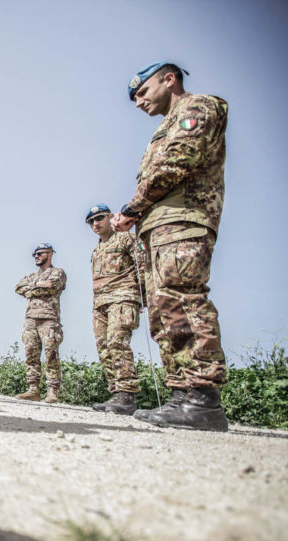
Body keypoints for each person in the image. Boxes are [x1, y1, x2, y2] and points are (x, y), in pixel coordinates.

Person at [111, 62, 229, 432]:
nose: (137, 102)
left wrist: (131, 208)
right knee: (164, 308)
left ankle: (203, 397)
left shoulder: (198, 108)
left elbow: (176, 163)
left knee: (182, 299)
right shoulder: (165, 125)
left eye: (142, 92)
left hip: (183, 220)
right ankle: (183, 395)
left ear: (169, 78)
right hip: (160, 227)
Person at [86, 204, 142, 414]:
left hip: (123, 297)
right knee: (104, 347)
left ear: (111, 217)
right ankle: (117, 392)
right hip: (100, 303)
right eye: (91, 221)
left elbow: (142, 265)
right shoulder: (96, 249)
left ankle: (127, 393)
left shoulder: (126, 239)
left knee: (117, 342)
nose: (95, 224)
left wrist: (143, 297)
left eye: (99, 218)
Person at [14, 243, 67, 403]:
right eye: (35, 254)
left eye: (40, 253)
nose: (36, 256)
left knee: (51, 354)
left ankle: (52, 391)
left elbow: (51, 287)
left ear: (50, 254)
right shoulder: (32, 276)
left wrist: (31, 289)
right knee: (31, 353)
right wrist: (37, 285)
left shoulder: (58, 272)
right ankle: (33, 389)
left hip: (49, 319)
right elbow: (18, 287)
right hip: (31, 318)